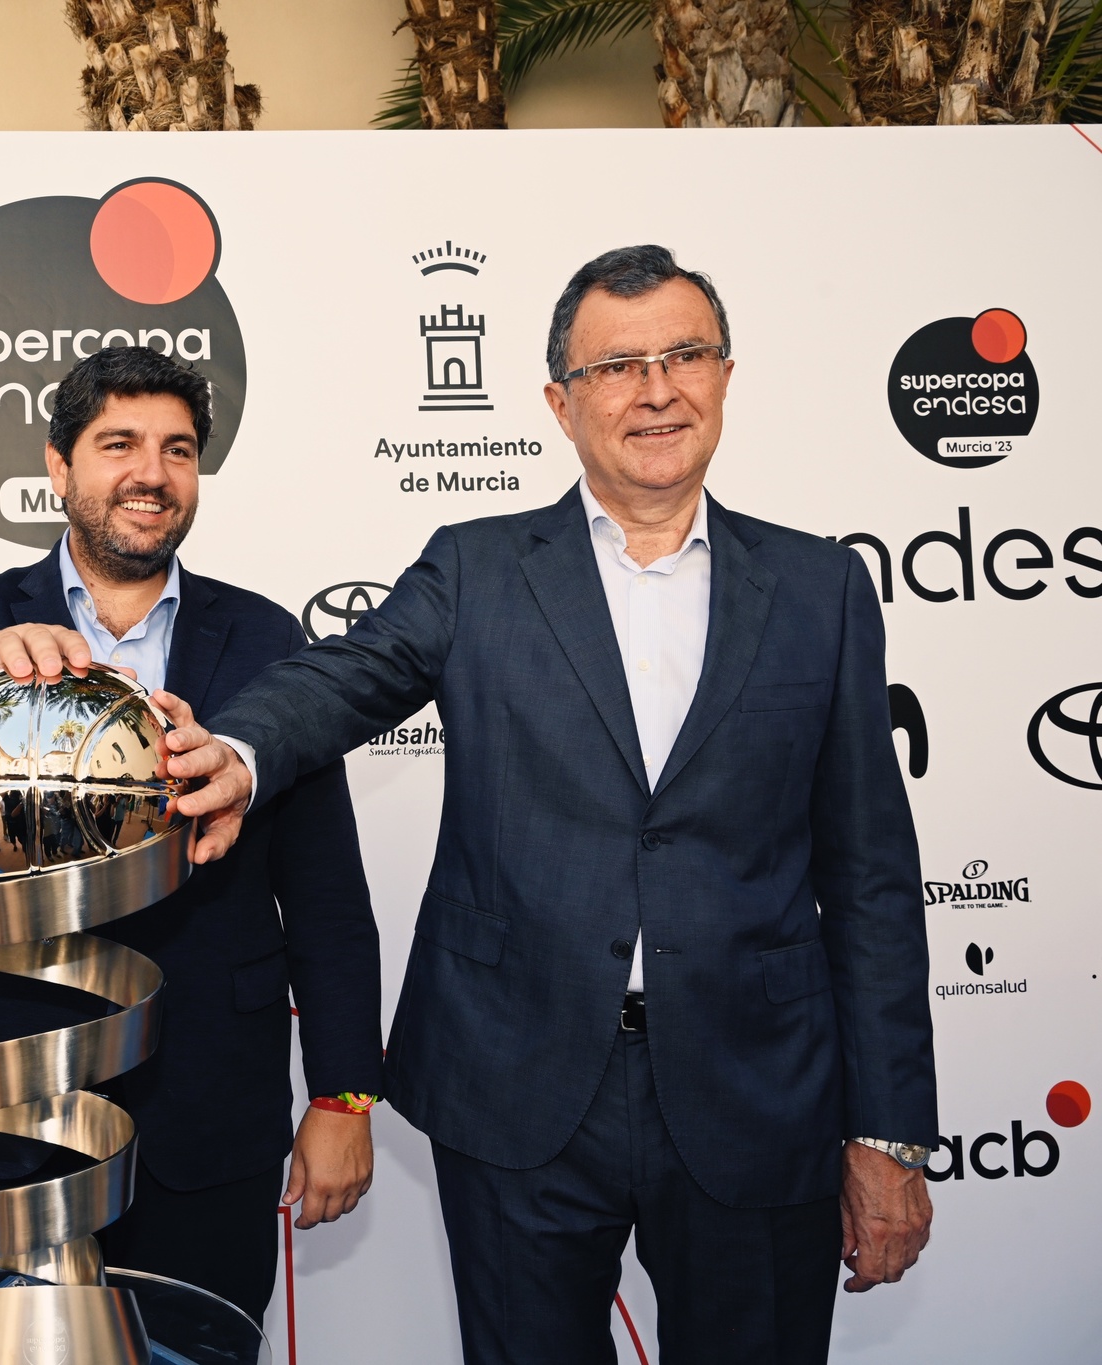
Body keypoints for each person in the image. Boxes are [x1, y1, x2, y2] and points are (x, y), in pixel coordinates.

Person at [161, 247, 938, 1362]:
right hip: (515, 1083)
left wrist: (887, 1133)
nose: (655, 388)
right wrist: (240, 748)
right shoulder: (477, 568)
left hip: (756, 1087)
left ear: (723, 376)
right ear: (558, 404)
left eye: (683, 355)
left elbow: (868, 880)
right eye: (617, 365)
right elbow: (352, 671)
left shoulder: (818, 591)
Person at [0, 346, 384, 1320]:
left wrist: (341, 1098)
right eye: (117, 443)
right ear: (57, 465)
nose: (150, 473)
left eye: (176, 450)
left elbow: (326, 892)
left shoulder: (263, 641)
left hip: (209, 1112)